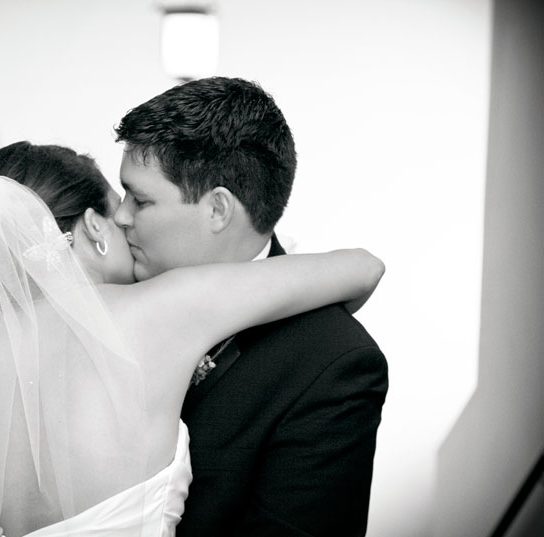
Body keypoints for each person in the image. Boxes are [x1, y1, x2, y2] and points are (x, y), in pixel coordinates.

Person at [0, 141, 384, 537]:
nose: (126, 221)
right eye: (121, 207)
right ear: (94, 226)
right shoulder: (159, 309)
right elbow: (363, 268)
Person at [112, 76, 389, 536]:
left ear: (218, 210)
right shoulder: (112, 294)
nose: (120, 216)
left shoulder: (333, 362)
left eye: (140, 200)